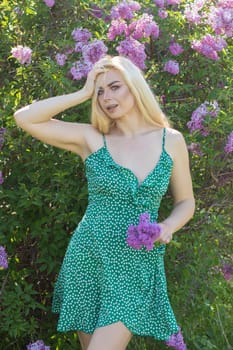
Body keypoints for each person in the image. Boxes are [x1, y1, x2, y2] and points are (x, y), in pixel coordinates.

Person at [14, 55, 195, 350]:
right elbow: (24, 117)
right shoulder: (92, 138)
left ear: (135, 88)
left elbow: (186, 201)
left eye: (114, 87)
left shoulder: (170, 141)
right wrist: (83, 92)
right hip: (88, 258)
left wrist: (168, 226)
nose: (106, 97)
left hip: (135, 263)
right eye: (100, 92)